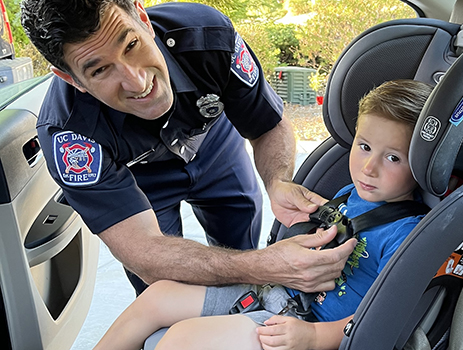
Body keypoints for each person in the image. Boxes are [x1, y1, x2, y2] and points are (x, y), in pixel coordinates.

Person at [20, 0, 357, 295]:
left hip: (216, 146)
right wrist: (265, 266)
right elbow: (146, 255)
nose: (138, 82)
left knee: (241, 247)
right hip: (138, 183)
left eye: (132, 44)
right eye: (101, 69)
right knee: (166, 290)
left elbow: (267, 124)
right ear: (73, 80)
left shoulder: (209, 38)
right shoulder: (70, 135)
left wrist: (277, 181)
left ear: (142, 17)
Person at [93, 79, 434, 350]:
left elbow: (386, 316)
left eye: (393, 158)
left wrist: (314, 338)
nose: (369, 168)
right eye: (364, 147)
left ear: (422, 161)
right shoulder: (352, 194)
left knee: (178, 341)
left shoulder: (407, 234)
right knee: (158, 295)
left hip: (309, 328)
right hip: (281, 294)